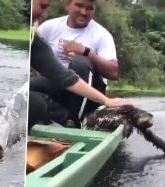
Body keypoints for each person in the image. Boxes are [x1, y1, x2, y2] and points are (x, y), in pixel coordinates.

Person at [29, 0, 126, 130]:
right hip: (61, 84)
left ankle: (77, 121)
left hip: (90, 93)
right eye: (79, 6)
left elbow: (113, 73)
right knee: (30, 87)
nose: (84, 12)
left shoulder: (101, 35)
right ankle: (63, 116)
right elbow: (41, 61)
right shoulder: (48, 27)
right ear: (67, 5)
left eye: (89, 8)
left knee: (80, 62)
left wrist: (87, 52)